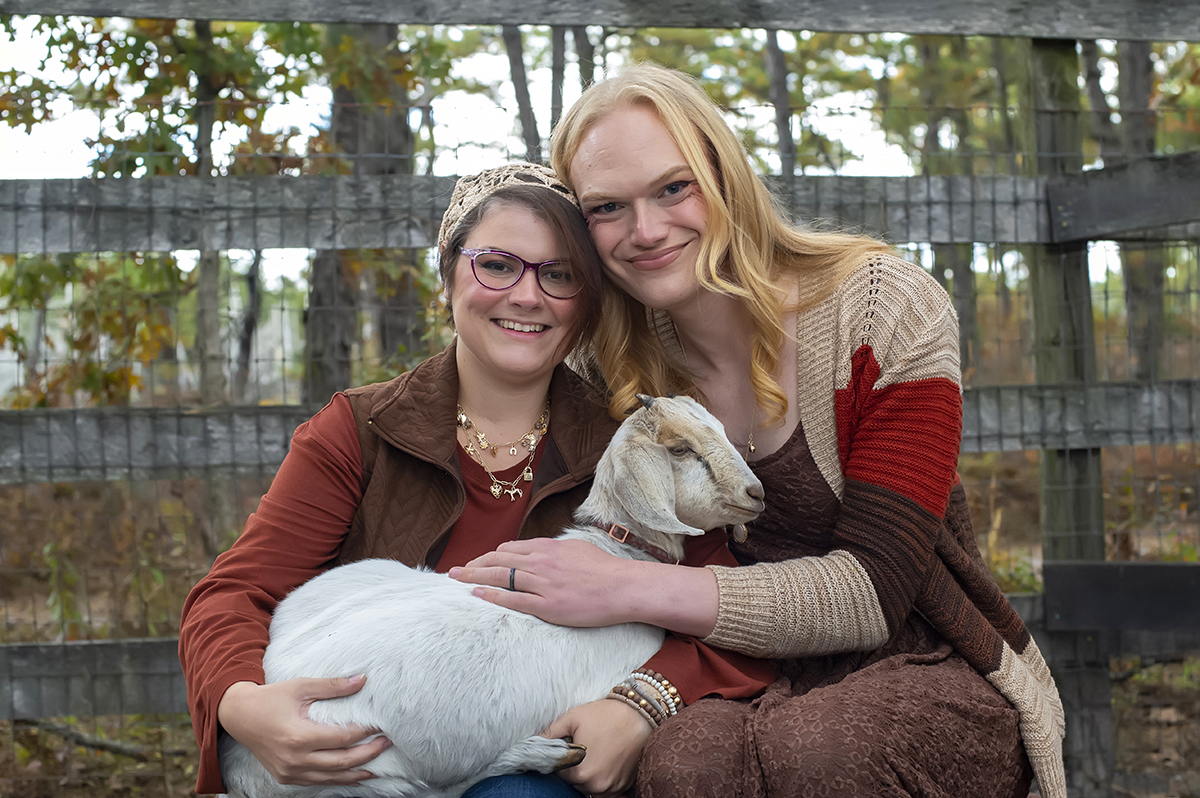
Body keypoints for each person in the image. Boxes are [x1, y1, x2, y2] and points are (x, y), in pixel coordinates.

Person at [450, 64, 1067, 798]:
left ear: (725, 176)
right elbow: (477, 415)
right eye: (608, 208)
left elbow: (876, 591)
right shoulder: (605, 358)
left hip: (921, 650)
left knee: (827, 756)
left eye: (673, 188)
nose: (646, 231)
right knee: (681, 765)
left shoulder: (882, 311)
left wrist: (625, 587)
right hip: (727, 667)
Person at [180, 163, 649, 798]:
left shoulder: (630, 443)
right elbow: (232, 595)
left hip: (536, 772)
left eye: (558, 274)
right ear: (448, 275)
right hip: (370, 769)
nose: (527, 295)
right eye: (498, 264)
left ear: (587, 301)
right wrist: (242, 706)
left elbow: (708, 597)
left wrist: (643, 702)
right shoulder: (359, 431)